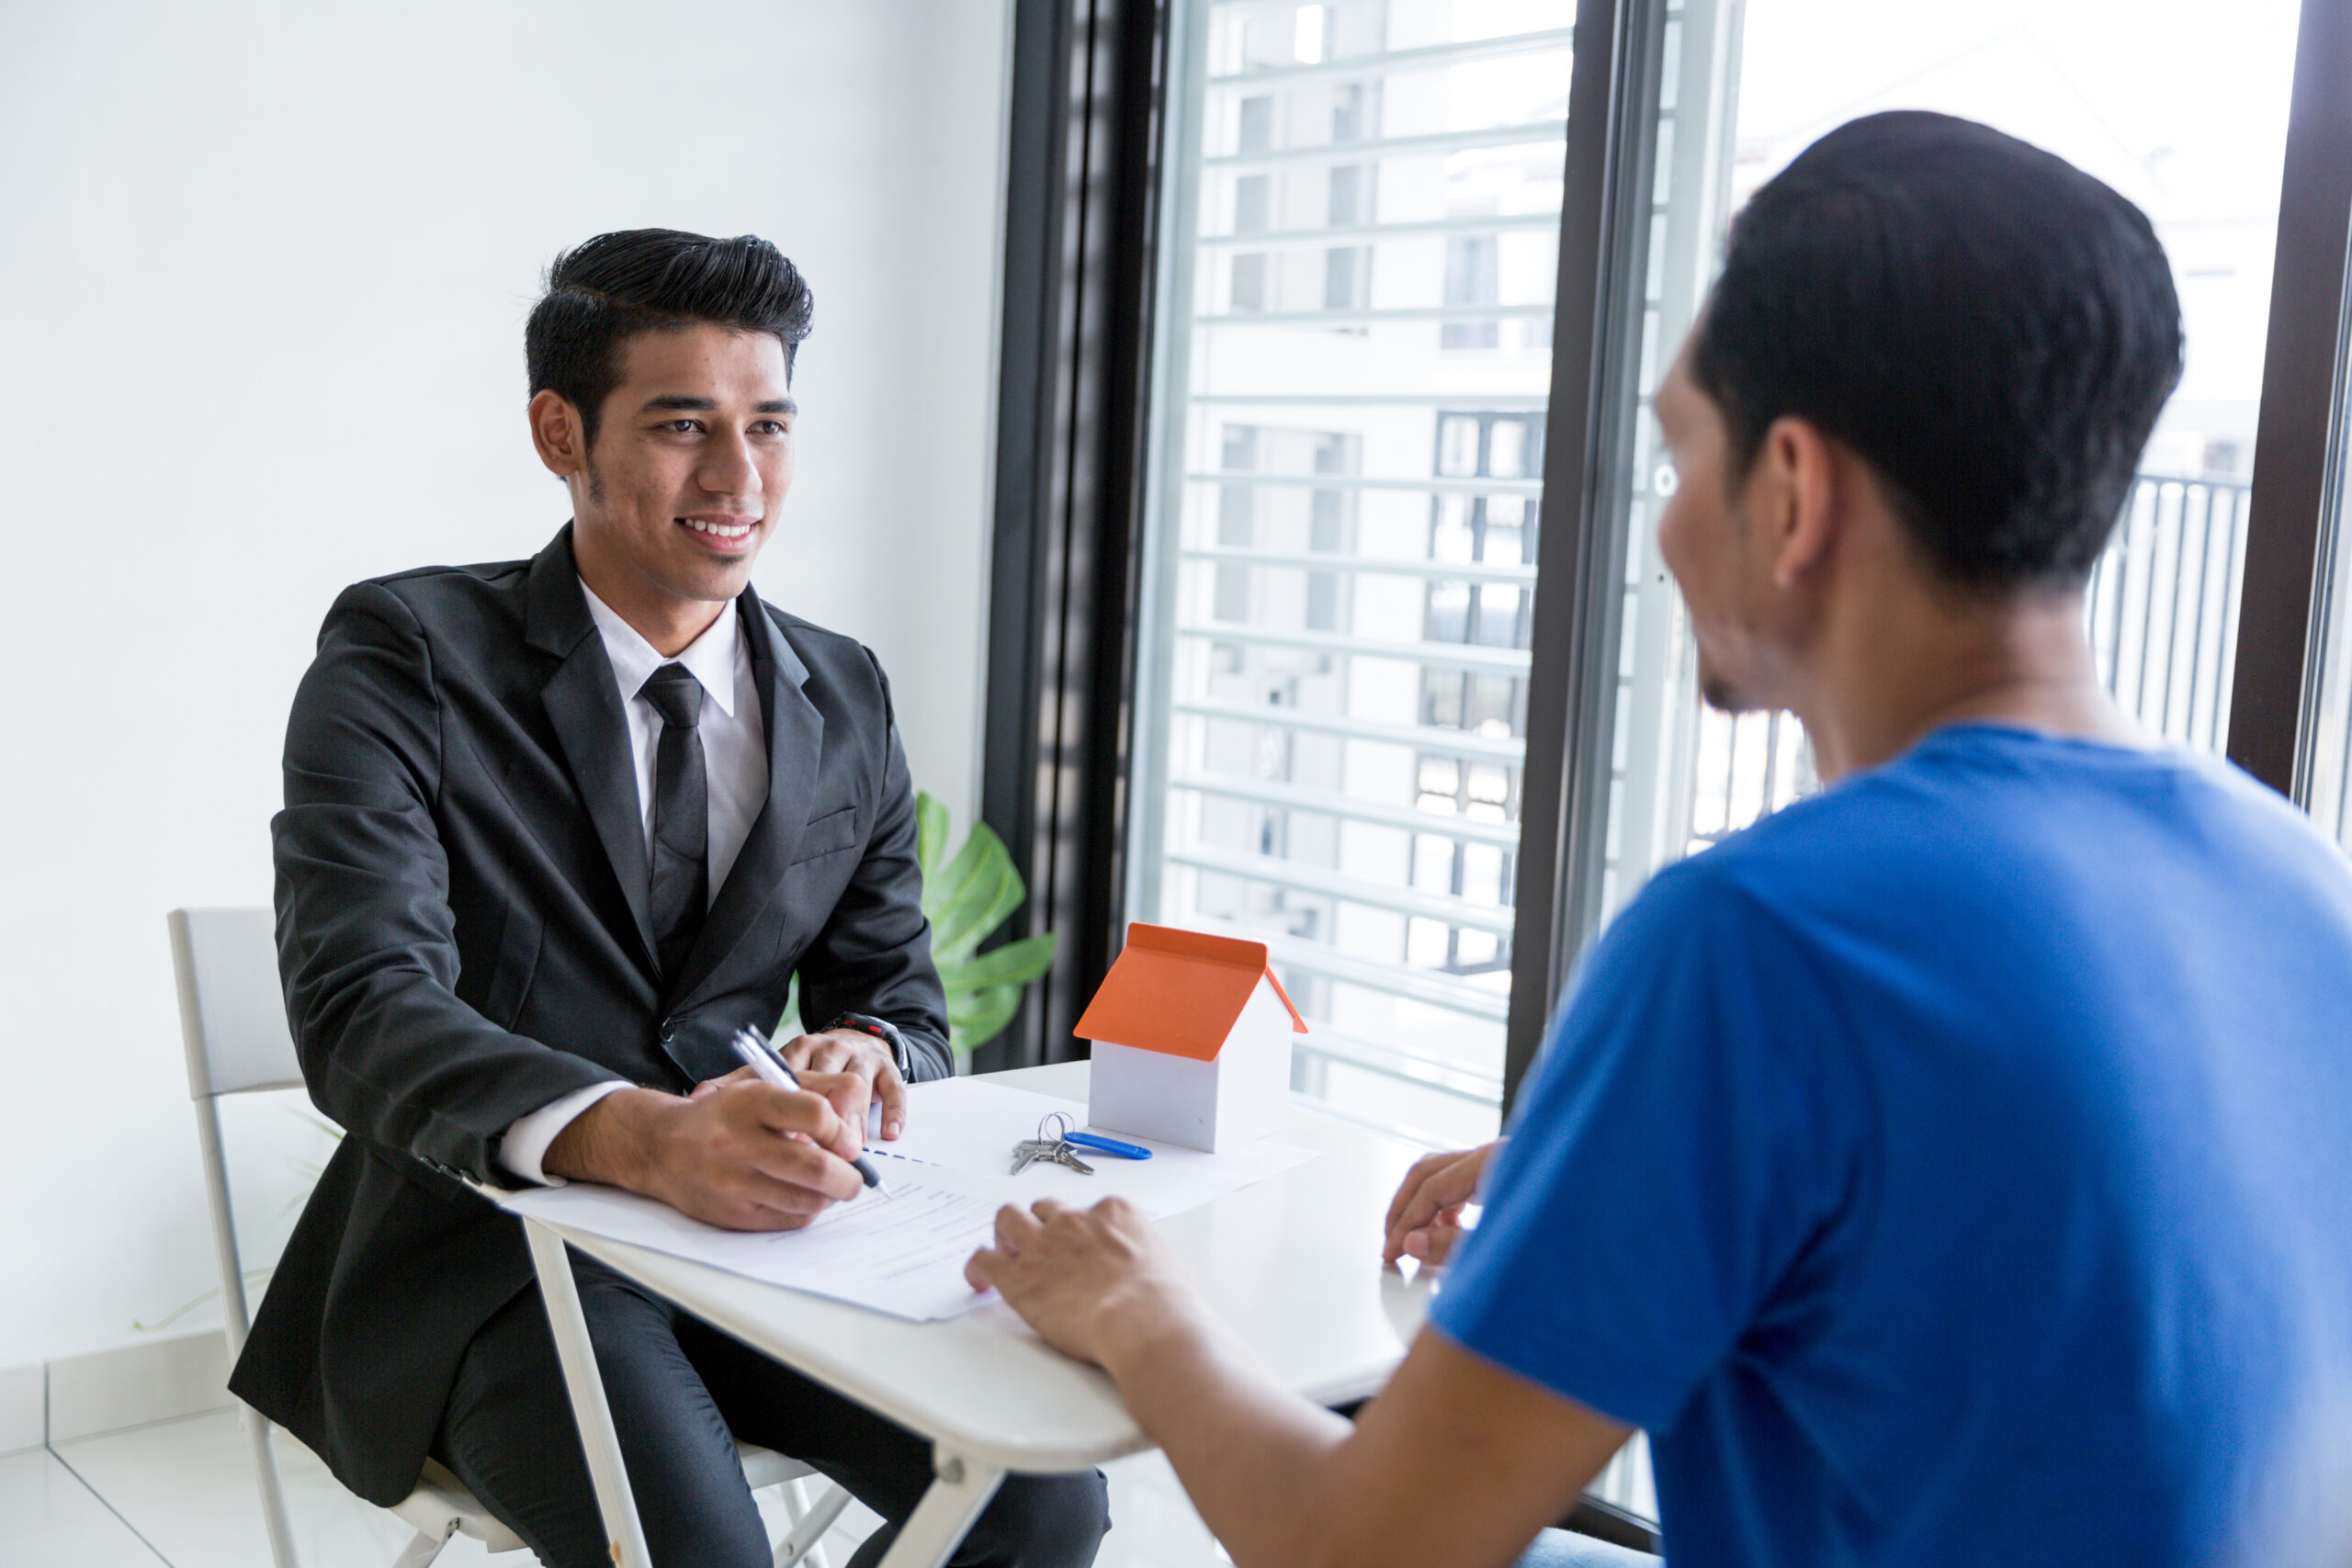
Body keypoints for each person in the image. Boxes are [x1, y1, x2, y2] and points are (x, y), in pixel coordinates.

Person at [965, 111, 2352, 1568]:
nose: (1670, 522)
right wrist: (1637, 1165)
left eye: (1682, 452)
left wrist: (1138, 1306)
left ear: (1795, 490)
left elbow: (1359, 1551)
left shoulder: (1763, 944)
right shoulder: (2298, 880)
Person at [235, 229, 1109, 1568]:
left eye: (769, 424)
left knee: (1043, 1500)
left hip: (781, 1253)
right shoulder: (406, 654)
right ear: (558, 432)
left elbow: (904, 1001)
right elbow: (362, 1006)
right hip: (495, 1261)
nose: (738, 478)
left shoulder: (845, 688)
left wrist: (865, 1050)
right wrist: (644, 1140)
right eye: (681, 425)